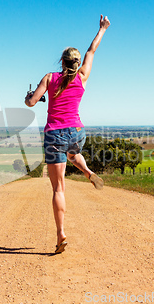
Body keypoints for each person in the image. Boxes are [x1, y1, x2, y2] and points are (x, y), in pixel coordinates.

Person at [25, 15, 111, 254]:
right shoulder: (82, 77)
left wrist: (29, 97)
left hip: (54, 134)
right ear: (76, 62)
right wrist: (102, 28)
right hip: (77, 132)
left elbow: (32, 103)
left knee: (58, 188)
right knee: (73, 154)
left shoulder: (49, 78)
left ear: (61, 61)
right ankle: (88, 172)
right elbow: (92, 50)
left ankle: (61, 233)